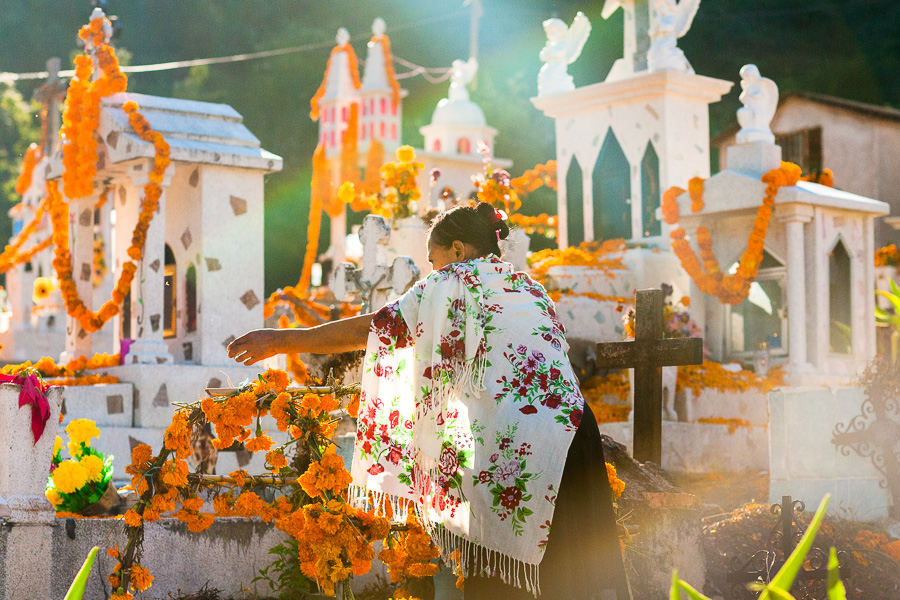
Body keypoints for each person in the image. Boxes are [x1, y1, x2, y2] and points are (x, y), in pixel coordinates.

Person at [228, 203, 631, 599]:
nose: (431, 271)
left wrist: (283, 339)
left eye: (433, 260)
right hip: (573, 436)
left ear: (458, 250)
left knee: (501, 583)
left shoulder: (452, 281)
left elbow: (377, 327)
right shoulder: (527, 287)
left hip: (523, 449)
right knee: (572, 578)